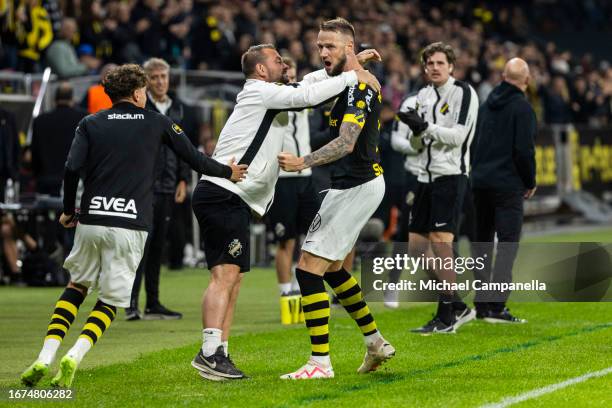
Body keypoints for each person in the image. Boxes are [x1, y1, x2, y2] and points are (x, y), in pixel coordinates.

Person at [20, 64, 247, 388]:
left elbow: (71, 169)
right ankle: (75, 355)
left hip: (92, 218)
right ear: (139, 92)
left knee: (76, 286)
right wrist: (229, 172)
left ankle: (45, 356)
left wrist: (70, 210)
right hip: (131, 223)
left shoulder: (90, 122)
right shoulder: (157, 121)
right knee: (111, 300)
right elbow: (194, 158)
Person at [190, 43, 381, 381]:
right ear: (261, 70)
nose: (284, 64)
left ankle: (219, 352)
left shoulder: (270, 91)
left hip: (233, 196)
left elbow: (307, 86)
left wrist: (350, 63)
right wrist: (353, 74)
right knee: (224, 276)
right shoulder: (260, 92)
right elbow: (307, 97)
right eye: (277, 60)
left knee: (233, 277)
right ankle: (208, 353)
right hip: (223, 193)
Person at [277, 18, 394, 380]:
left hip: (357, 185)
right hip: (351, 185)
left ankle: (320, 363)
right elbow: (315, 83)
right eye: (319, 46)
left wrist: (303, 161)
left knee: (307, 269)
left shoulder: (360, 87)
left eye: (330, 46)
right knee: (332, 269)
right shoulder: (347, 79)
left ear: (346, 48)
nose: (322, 52)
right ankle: (375, 343)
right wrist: (355, 58)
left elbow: (347, 142)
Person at [397, 41, 479, 334]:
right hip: (423, 177)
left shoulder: (464, 92)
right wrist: (417, 132)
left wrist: (424, 128)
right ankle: (457, 304)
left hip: (451, 176)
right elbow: (415, 144)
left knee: (440, 243)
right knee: (417, 250)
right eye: (429, 63)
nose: (434, 68)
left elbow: (458, 136)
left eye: (440, 63)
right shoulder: (422, 95)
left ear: (451, 66)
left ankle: (446, 316)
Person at [471, 58, 536, 323]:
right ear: (527, 80)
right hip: (507, 185)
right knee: (507, 244)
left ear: (502, 76)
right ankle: (496, 306)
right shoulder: (522, 108)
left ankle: (482, 305)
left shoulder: (486, 106)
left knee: (482, 244)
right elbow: (523, 150)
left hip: (480, 183)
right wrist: (529, 180)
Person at [126, 57, 190, 321]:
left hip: (168, 186)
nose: (160, 81)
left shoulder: (180, 108)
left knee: (157, 247)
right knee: (139, 246)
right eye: (154, 77)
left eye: (163, 76)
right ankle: (130, 303)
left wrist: (183, 179)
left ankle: (152, 302)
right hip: (144, 187)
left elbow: (185, 146)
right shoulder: (139, 108)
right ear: (146, 81)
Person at [266, 56, 321, 322]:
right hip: (284, 180)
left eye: (292, 70)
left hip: (306, 176)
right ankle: (286, 295)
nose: (289, 74)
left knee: (310, 238)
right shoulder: (274, 95)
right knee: (286, 240)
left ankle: (304, 291)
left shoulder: (303, 94)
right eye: (284, 70)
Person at [31, 82, 87, 196]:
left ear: (54, 100)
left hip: (46, 181)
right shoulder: (85, 119)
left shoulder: (40, 121)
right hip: (76, 183)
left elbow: (34, 154)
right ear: (72, 99)